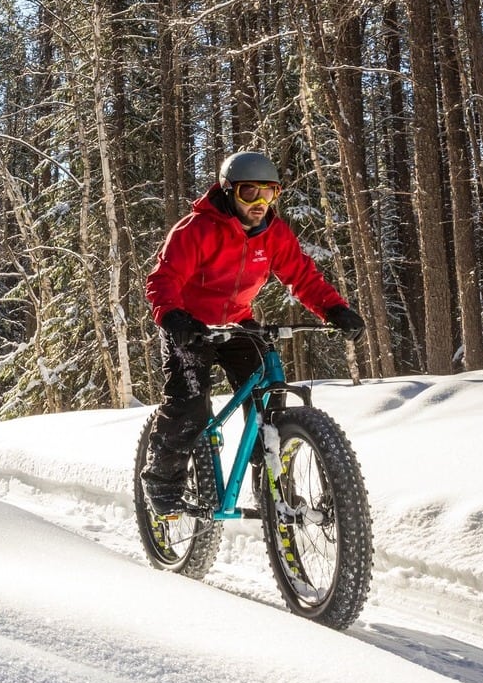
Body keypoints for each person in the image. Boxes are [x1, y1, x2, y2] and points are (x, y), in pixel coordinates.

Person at [141, 150, 365, 516]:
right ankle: (162, 487)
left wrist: (335, 309)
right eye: (250, 193)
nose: (260, 203)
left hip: (237, 322)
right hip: (191, 325)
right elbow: (163, 279)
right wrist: (173, 317)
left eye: (269, 193)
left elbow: (303, 276)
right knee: (190, 404)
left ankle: (273, 488)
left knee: (269, 400)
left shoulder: (273, 234)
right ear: (229, 191)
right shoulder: (196, 229)